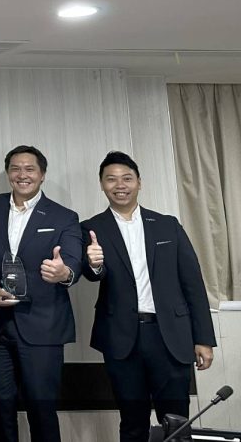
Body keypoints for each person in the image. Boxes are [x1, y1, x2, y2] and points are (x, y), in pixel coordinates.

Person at [81, 151, 216, 442]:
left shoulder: (167, 225)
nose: (120, 185)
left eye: (127, 178)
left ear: (139, 182)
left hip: (170, 336)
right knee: (132, 422)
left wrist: (203, 338)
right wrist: (94, 264)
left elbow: (193, 284)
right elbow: (92, 274)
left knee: (176, 422)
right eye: (111, 179)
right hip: (121, 338)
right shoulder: (91, 228)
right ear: (102, 184)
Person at [0, 145, 82, 442]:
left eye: (30, 169)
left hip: (43, 325)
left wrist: (63, 273)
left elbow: (73, 262)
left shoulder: (64, 216)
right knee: (0, 408)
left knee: (41, 410)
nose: (22, 175)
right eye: (16, 169)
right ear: (8, 173)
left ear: (42, 175)